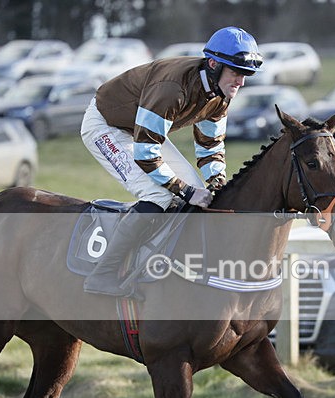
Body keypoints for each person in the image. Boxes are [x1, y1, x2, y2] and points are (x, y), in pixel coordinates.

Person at [80, 26, 263, 296]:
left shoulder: (219, 95)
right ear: (213, 64)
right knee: (159, 194)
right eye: (236, 73)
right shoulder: (171, 89)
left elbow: (210, 146)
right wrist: (186, 191)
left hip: (143, 130)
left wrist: (216, 182)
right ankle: (104, 273)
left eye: (246, 74)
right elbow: (145, 154)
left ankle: (165, 264)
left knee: (198, 191)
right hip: (107, 126)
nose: (241, 82)